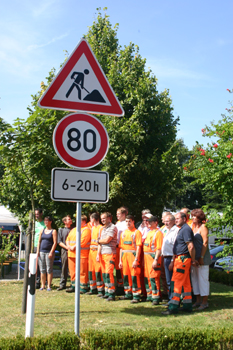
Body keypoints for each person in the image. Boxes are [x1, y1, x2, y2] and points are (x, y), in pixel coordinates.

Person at [162, 212, 196, 315]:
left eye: (178, 218)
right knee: (185, 284)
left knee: (175, 283)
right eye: (175, 218)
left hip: (182, 260)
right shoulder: (182, 229)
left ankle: (173, 307)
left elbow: (191, 246)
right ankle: (187, 305)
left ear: (184, 219)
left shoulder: (185, 229)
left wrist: (193, 260)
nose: (175, 220)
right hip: (180, 259)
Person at [191, 209, 211, 310]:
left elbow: (205, 242)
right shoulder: (193, 227)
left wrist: (201, 257)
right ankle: (198, 300)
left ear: (200, 217)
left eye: (195, 216)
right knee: (195, 279)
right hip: (194, 259)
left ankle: (204, 302)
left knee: (203, 280)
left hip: (202, 258)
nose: (193, 218)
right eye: (192, 216)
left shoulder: (203, 227)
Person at [119, 215, 142, 303]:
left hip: (132, 255)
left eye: (129, 221)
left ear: (133, 222)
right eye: (126, 221)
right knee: (125, 275)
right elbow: (121, 247)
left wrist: (136, 259)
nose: (128, 223)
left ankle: (136, 295)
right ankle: (128, 293)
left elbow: (139, 247)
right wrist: (120, 260)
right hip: (124, 256)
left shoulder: (137, 232)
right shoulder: (123, 233)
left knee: (134, 275)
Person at [66, 215, 91, 293]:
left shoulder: (86, 230)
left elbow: (82, 242)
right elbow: (68, 239)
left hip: (81, 254)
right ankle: (74, 286)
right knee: (72, 271)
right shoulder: (73, 229)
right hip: (71, 254)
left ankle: (83, 287)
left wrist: (74, 247)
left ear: (83, 221)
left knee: (82, 271)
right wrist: (68, 246)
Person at [96, 212, 118, 301]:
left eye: (104, 218)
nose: (103, 220)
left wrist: (99, 241)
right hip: (102, 253)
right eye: (101, 219)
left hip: (110, 253)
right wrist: (98, 254)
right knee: (104, 274)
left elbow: (107, 240)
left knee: (109, 273)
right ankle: (107, 291)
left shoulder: (113, 227)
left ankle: (112, 294)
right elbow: (100, 242)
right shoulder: (101, 228)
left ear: (109, 218)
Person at [143, 216, 163, 305]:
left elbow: (159, 248)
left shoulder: (158, 233)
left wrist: (156, 260)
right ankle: (150, 294)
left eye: (150, 222)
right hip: (147, 258)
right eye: (148, 222)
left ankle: (156, 297)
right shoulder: (149, 232)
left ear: (156, 222)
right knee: (147, 276)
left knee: (154, 277)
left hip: (153, 257)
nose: (148, 223)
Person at [161, 213, 179, 301]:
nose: (166, 223)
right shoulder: (165, 230)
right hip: (165, 257)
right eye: (165, 221)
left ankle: (173, 299)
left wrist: (172, 260)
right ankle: (170, 298)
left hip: (171, 257)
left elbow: (175, 247)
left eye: (167, 221)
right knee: (168, 280)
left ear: (173, 221)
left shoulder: (175, 231)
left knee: (171, 280)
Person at [37, 216, 57, 291]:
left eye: (47, 221)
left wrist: (51, 252)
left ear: (50, 222)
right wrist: (38, 251)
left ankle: (49, 285)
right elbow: (39, 241)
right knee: (42, 269)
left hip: (49, 252)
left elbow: (55, 243)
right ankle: (42, 285)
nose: (46, 222)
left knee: (49, 269)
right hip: (42, 251)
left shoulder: (53, 231)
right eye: (45, 221)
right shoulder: (42, 230)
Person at [86, 212, 104, 296]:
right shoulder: (93, 228)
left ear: (93, 219)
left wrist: (98, 253)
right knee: (91, 270)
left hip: (97, 250)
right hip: (91, 250)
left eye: (90, 219)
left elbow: (101, 241)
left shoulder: (101, 228)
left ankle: (100, 289)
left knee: (98, 270)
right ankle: (92, 288)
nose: (90, 221)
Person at [57, 215, 73, 291]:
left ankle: (73, 284)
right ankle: (62, 284)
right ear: (65, 222)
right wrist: (67, 248)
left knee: (73, 268)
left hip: (73, 251)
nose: (70, 220)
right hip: (65, 250)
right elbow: (59, 241)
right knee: (64, 267)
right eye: (69, 219)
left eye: (70, 219)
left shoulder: (74, 229)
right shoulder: (61, 230)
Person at [115, 207, 128, 294]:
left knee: (123, 267)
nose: (117, 216)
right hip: (116, 247)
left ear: (123, 214)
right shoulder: (117, 223)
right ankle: (119, 285)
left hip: (123, 247)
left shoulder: (125, 224)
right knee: (117, 268)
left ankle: (125, 286)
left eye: (118, 214)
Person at [34, 208, 46, 289]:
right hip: (34, 246)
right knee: (35, 264)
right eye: (35, 214)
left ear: (41, 214)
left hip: (42, 246)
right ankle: (34, 280)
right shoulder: (33, 223)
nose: (36, 216)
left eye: (37, 214)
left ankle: (40, 281)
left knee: (41, 264)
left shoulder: (44, 224)